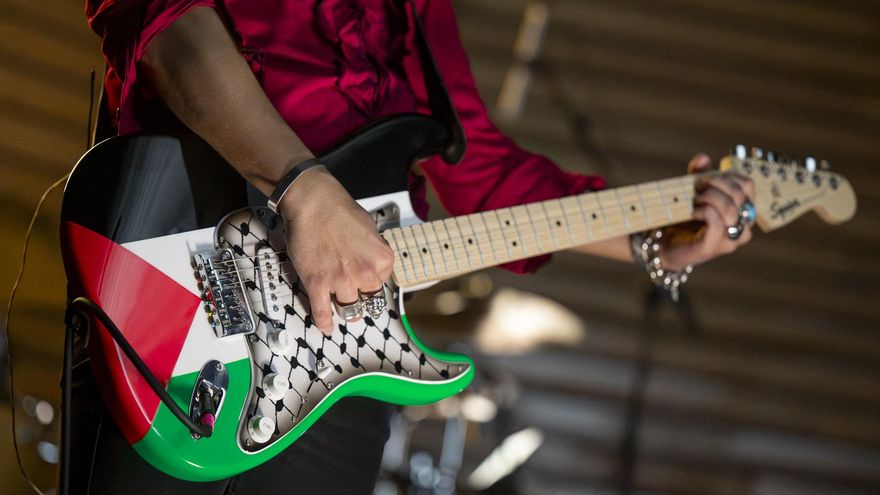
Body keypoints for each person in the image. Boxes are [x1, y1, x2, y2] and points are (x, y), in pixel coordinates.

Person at [74, 0, 754, 493]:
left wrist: (658, 236)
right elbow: (164, 26)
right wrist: (306, 193)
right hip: (184, 287)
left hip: (345, 362)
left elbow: (482, 175)